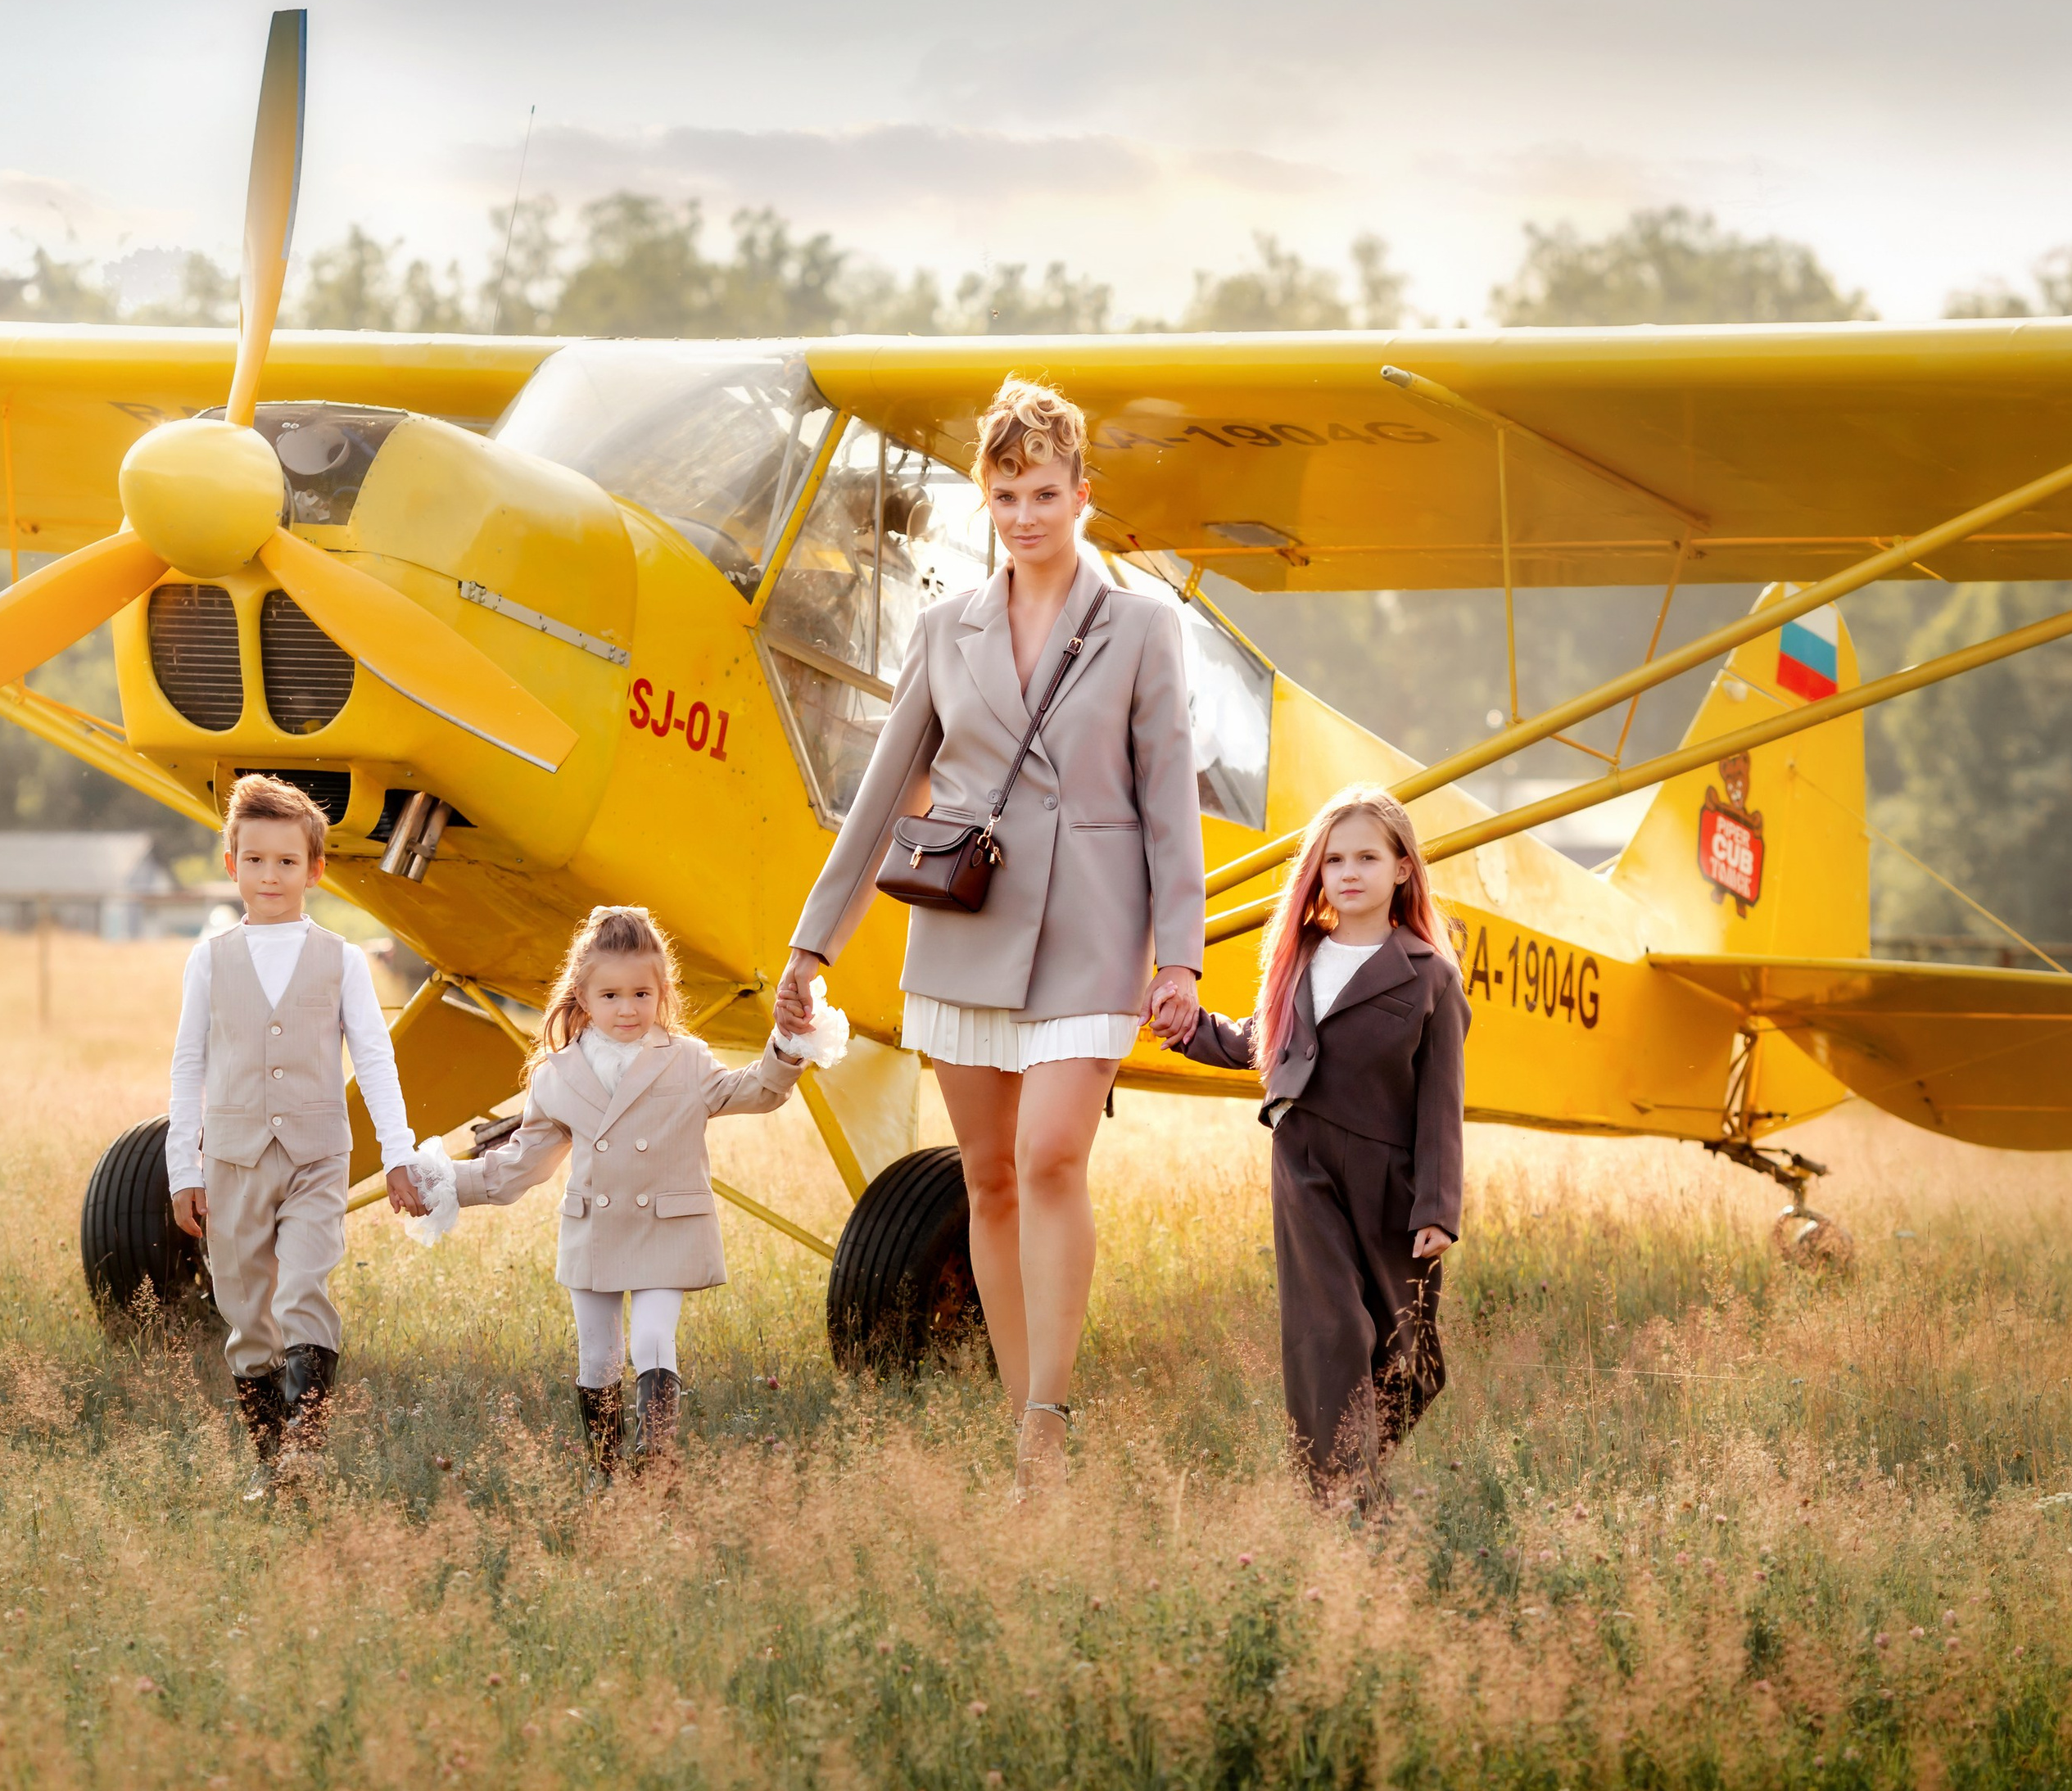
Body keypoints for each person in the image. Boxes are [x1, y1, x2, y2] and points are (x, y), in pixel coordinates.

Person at [776, 376, 1206, 1493]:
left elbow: (1169, 800)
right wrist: (814, 943)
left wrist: (1182, 955)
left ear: (1083, 496)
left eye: (1047, 492)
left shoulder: (1145, 627)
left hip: (1093, 928)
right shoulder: (944, 628)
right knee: (990, 1181)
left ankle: (1046, 1426)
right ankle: (1026, 1419)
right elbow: (880, 796)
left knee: (1053, 1154)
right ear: (987, 497)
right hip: (969, 928)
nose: (1027, 514)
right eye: (1007, 493)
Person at [1169, 785, 1466, 1509]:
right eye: (1334, 859)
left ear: (1402, 869)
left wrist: (1437, 1207)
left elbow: (1441, 1105)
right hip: (1304, 1162)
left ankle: (1361, 1454)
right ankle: (1339, 1489)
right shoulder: (1301, 955)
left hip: (1392, 1178)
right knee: (1330, 1326)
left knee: (1412, 1357)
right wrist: (1188, 1028)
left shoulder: (1430, 974)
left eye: (1368, 856)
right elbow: (1264, 1043)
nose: (1348, 872)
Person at [448, 905, 805, 1482]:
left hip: (668, 1225)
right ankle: (604, 1471)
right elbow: (522, 1165)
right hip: (596, 1229)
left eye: (642, 993)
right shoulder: (556, 1075)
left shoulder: (687, 1060)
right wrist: (446, 1184)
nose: (628, 1009)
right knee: (598, 1355)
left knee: (654, 1336)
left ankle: (655, 1458)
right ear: (583, 997)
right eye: (611, 995)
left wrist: (788, 1044)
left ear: (662, 991)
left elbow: (757, 1091)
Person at [167, 773, 424, 1498]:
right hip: (231, 1161)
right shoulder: (208, 960)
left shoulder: (340, 959)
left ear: (314, 869)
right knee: (249, 1322)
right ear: (232, 865)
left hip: (317, 1158)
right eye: (255, 860)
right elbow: (189, 1064)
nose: (270, 875)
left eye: (287, 862)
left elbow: (375, 1058)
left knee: (303, 1292)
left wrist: (399, 1154)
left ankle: (303, 1460)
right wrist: (180, 1167)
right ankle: (270, 1465)